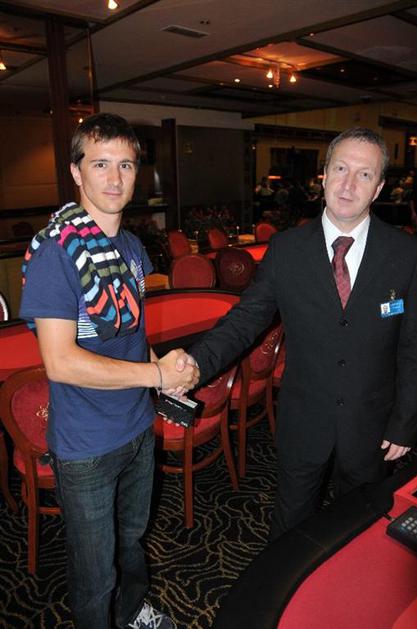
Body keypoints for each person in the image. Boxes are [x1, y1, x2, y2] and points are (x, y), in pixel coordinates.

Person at [181, 127, 417, 541]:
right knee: (290, 528)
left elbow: (412, 347)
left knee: (358, 530)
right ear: (324, 175)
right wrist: (194, 364)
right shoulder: (287, 250)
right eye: (340, 169)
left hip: (373, 425)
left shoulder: (405, 253)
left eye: (364, 174)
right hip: (304, 420)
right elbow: (245, 320)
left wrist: (405, 422)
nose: (348, 184)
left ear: (379, 187)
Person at [19, 113, 199, 629]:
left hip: (138, 428)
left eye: (126, 164)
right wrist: (156, 377)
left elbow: (134, 340)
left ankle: (133, 611)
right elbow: (60, 362)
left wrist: (165, 373)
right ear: (76, 172)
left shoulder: (133, 249)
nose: (115, 178)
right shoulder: (57, 254)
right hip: (86, 447)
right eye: (100, 164)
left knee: (131, 540)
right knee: (95, 572)